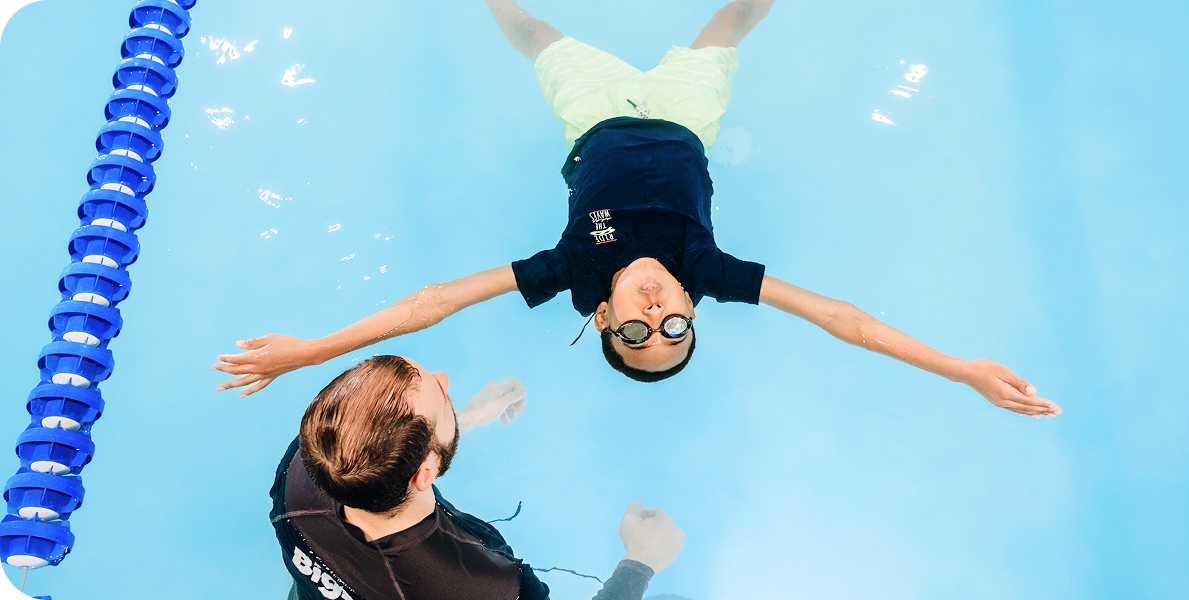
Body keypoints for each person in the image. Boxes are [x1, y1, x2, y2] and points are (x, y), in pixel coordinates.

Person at [213, 0, 1062, 419]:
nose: (657, 318)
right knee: (729, 26)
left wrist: (308, 353)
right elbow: (845, 321)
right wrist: (963, 370)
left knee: (538, 40)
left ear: (602, 318)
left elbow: (431, 303)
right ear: (697, 312)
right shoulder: (708, 270)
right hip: (686, 118)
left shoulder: (574, 269)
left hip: (596, 114)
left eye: (635, 336)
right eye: (676, 332)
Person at [274, 355, 685, 600]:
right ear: (424, 473)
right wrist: (640, 563)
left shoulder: (303, 470)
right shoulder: (485, 586)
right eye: (442, 395)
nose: (444, 379)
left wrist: (460, 419)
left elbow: (369, 452)